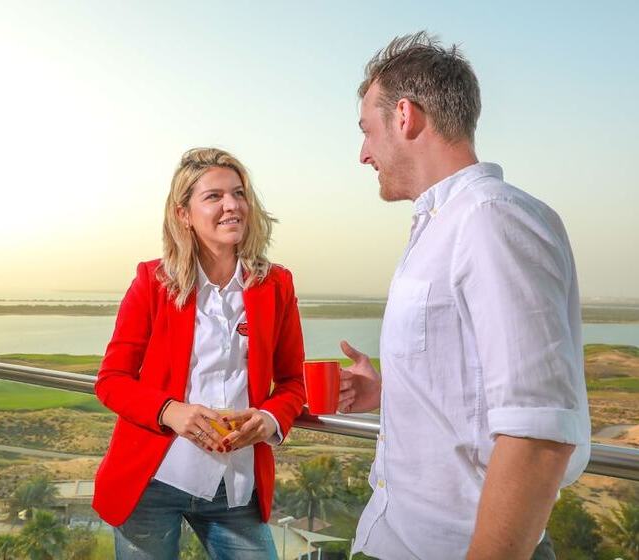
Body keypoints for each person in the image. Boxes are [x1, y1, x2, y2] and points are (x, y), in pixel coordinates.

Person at [338, 32, 591, 559]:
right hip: (396, 539)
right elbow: (475, 390)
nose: (363, 153)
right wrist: (391, 391)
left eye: (366, 130)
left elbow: (538, 433)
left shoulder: (491, 217)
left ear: (404, 116)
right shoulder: (441, 226)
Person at [92, 147, 306, 559]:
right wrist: (172, 411)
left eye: (239, 193)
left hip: (236, 487)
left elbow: (293, 382)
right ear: (183, 214)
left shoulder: (277, 285)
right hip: (153, 479)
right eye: (214, 196)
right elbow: (112, 380)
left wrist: (269, 419)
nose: (232, 205)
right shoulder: (151, 282)